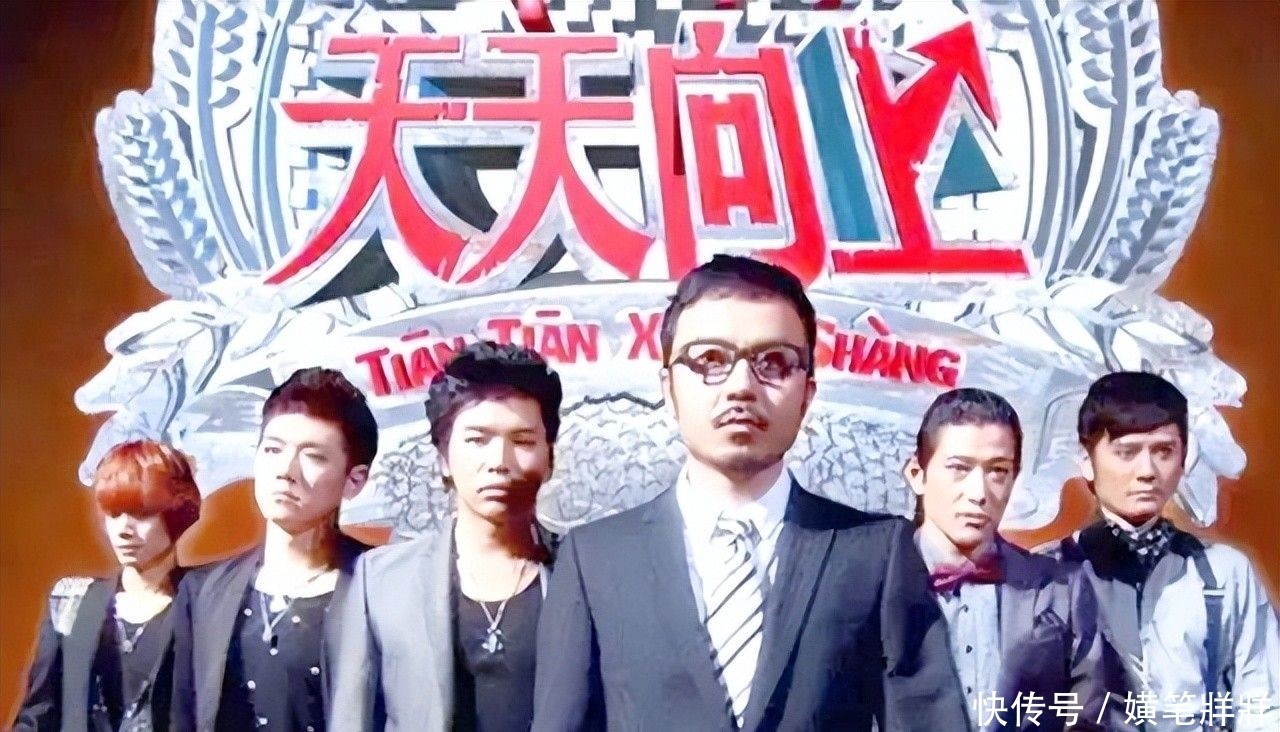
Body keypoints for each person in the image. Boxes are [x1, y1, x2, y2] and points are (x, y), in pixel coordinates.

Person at [533, 255, 968, 731]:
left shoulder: (875, 551)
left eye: (774, 363)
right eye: (709, 361)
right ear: (668, 387)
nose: (741, 387)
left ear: (807, 394)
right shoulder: (595, 559)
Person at [330, 341, 565, 731]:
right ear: (443, 459)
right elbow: (353, 719)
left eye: (522, 441)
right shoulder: (382, 580)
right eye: (477, 440)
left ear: (549, 457)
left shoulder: (586, 572)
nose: (499, 462)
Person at [1044, 372, 1279, 730]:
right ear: (1087, 460)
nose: (1147, 471)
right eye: (1127, 452)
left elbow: (1263, 705)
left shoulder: (1225, 573)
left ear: (1184, 459)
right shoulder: (1041, 576)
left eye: (1164, 452)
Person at [170, 367, 379, 731]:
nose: (285, 470)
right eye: (272, 449)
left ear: (354, 480)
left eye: (313, 456)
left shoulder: (383, 590)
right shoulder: (203, 591)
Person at [904, 388, 1122, 731]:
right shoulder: (874, 582)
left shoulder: (1061, 589)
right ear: (918, 474)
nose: (978, 493)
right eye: (959, 468)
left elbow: (1091, 715)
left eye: (998, 471)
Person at [14, 439, 202, 731]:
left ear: (176, 512)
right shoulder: (73, 603)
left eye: (141, 512)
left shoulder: (206, 606)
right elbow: (38, 714)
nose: (124, 529)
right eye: (114, 513)